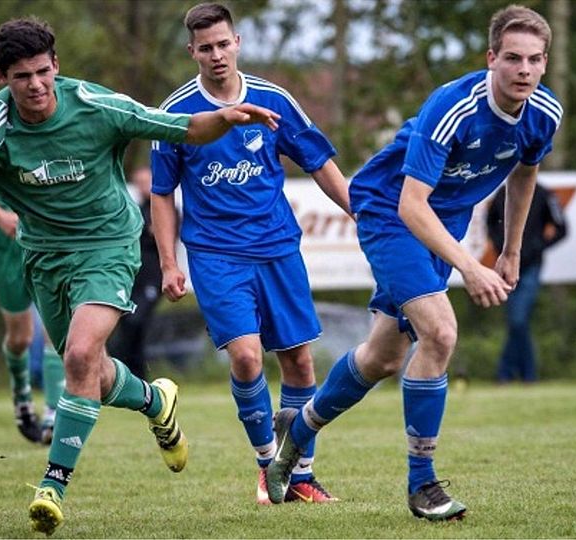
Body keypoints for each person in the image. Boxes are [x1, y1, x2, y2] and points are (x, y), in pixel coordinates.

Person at [0, 16, 280, 535]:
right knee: (90, 374)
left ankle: (53, 485)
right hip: (45, 258)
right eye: (21, 76)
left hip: (110, 247)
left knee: (76, 355)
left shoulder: (98, 106)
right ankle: (154, 399)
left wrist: (226, 119)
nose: (35, 85)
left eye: (42, 72)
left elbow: (183, 127)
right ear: (0, 78)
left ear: (57, 67)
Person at [265, 4, 562, 521]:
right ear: (491, 58)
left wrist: (511, 249)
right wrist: (472, 266)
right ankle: (422, 487)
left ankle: (302, 426)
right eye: (513, 58)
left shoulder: (543, 113)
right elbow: (410, 204)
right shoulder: (453, 108)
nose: (525, 71)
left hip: (439, 225)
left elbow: (523, 175)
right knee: (441, 333)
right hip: (390, 212)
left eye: (535, 60)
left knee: (381, 358)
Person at [150, 3, 351, 505]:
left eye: (223, 44)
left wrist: (358, 210)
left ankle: (301, 474)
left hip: (277, 248)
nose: (216, 55)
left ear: (237, 42)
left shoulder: (273, 98)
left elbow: (319, 160)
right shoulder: (175, 112)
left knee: (301, 364)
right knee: (245, 356)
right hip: (216, 254)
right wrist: (170, 262)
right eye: (205, 47)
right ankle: (268, 467)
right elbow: (160, 193)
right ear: (191, 51)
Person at [0, 186, 65, 443]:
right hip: (3, 238)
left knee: (55, 325)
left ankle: (54, 412)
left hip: (45, 230)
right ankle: (22, 395)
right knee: (20, 337)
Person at [486, 181, 567, 382]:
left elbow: (562, 228)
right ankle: (526, 373)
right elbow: (490, 223)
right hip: (507, 268)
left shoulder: (544, 194)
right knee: (517, 322)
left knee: (518, 321)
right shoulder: (502, 193)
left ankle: (507, 372)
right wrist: (501, 247)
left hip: (531, 266)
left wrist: (537, 246)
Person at [108, 166, 162, 380]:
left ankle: (136, 372)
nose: (142, 187)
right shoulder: (136, 209)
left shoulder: (162, 209)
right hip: (134, 278)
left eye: (145, 182)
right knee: (127, 322)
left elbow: (159, 234)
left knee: (136, 321)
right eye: (138, 183)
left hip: (153, 278)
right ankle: (127, 375)